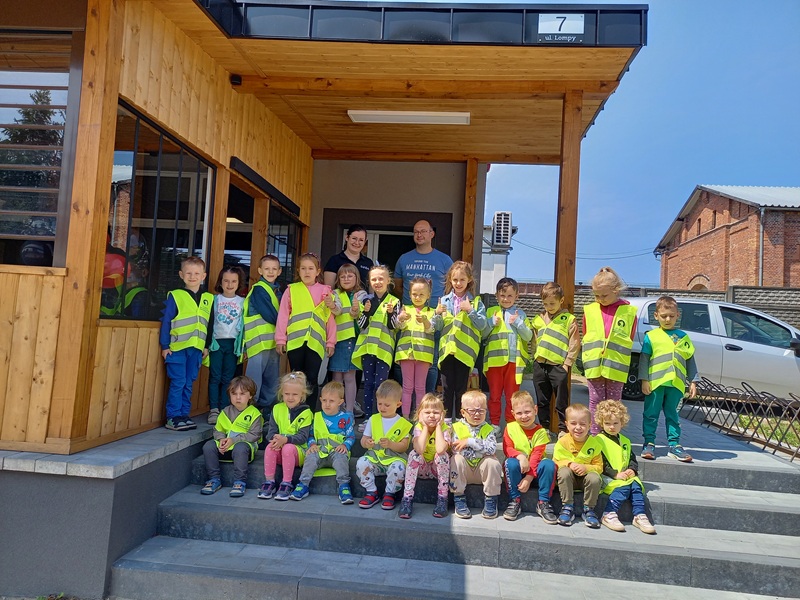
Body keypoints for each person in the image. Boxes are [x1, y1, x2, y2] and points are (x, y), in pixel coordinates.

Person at [394, 219, 454, 393]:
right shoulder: (404, 259)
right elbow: (398, 286)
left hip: (433, 316)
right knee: (401, 361)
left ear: (431, 234)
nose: (419, 235)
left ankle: (427, 400)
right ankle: (404, 401)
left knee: (431, 362)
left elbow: (451, 286)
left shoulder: (444, 260)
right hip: (407, 317)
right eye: (416, 232)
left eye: (423, 231)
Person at [640, 295, 699, 462]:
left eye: (671, 316)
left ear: (677, 315)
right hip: (655, 384)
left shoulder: (683, 337)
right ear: (656, 316)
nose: (668, 319)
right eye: (664, 316)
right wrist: (644, 380)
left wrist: (693, 381)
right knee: (650, 414)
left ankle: (674, 445)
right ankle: (649, 443)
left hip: (676, 385)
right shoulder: (651, 336)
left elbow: (690, 360)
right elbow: (644, 360)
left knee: (673, 415)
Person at [275, 253, 336, 411]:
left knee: (312, 379)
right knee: (296, 379)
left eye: (311, 268)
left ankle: (309, 413)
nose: (307, 272)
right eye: (303, 268)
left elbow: (329, 318)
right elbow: (283, 315)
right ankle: (295, 411)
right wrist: (280, 339)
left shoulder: (325, 291)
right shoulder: (291, 290)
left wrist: (331, 342)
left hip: (316, 342)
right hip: (295, 341)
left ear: (318, 271)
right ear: (298, 270)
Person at [160, 256, 213, 431]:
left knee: (188, 383)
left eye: (197, 273)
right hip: (177, 348)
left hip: (196, 349)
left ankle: (184, 414)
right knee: (178, 382)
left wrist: (206, 346)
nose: (192, 276)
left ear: (203, 276)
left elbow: (210, 324)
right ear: (181, 275)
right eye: (188, 273)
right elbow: (167, 321)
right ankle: (173, 416)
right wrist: (165, 345)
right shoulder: (176, 295)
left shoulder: (208, 298)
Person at [582, 266, 637, 434]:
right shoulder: (590, 310)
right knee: (595, 401)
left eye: (604, 295)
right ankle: (595, 435)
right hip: (594, 365)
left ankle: (611, 435)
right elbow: (586, 334)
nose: (600, 299)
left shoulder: (628, 312)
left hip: (615, 367)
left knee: (614, 404)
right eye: (596, 295)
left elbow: (630, 337)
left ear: (616, 290)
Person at [431, 261, 487, 418]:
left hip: (464, 354)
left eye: (462, 279)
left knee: (461, 390)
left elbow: (482, 325)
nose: (458, 283)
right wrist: (436, 314)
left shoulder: (476, 302)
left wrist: (470, 310)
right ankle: (447, 421)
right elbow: (437, 327)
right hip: (447, 352)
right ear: (450, 279)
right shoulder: (444, 301)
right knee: (447, 389)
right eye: (455, 279)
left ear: (469, 280)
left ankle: (462, 422)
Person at [290, 381, 356, 504]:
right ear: (320, 399)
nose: (327, 404)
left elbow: (351, 436)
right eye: (324, 400)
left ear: (340, 402)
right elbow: (310, 435)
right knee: (310, 457)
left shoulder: (346, 418)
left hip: (336, 452)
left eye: (331, 401)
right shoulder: (316, 417)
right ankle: (303, 485)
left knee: (341, 459)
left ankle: (344, 486)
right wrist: (312, 445)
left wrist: (345, 445)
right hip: (319, 451)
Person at [595, 400, 655, 534]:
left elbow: (632, 458)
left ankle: (639, 515)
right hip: (607, 476)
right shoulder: (598, 440)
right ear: (601, 423)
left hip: (624, 476)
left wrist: (632, 469)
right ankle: (609, 513)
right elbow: (600, 462)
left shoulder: (625, 441)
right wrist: (615, 474)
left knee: (636, 486)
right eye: (607, 423)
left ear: (622, 423)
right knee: (623, 487)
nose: (612, 427)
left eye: (615, 423)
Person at [529, 281, 580, 435]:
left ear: (561, 300)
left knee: (561, 400)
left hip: (558, 366)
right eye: (545, 304)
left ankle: (563, 429)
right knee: (542, 399)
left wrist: (567, 364)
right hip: (540, 365)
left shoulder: (568, 319)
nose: (549, 307)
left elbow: (575, 342)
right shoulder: (538, 319)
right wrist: (534, 358)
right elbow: (534, 340)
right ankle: (544, 427)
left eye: (552, 303)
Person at [200, 376, 263, 498]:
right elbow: (218, 430)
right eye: (234, 394)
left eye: (242, 394)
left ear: (250, 395)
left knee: (240, 448)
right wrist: (221, 439)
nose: (238, 397)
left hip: (244, 448)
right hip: (225, 447)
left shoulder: (255, 413)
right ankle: (214, 479)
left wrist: (234, 440)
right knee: (208, 446)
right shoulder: (225, 412)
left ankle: (239, 482)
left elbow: (254, 435)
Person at [483, 277, 533, 428]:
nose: (506, 299)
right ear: (496, 296)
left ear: (517, 296)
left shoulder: (521, 315)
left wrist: (518, 323)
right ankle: (495, 424)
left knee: (513, 397)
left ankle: (511, 425)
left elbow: (528, 336)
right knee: (494, 395)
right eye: (502, 295)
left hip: (514, 363)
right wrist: (491, 323)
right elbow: (482, 335)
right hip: (494, 362)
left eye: (510, 295)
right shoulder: (490, 312)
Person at [501, 391, 558, 524]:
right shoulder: (510, 428)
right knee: (510, 463)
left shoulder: (541, 432)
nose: (524, 416)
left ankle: (543, 502)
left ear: (535, 410)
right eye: (519, 413)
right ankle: (515, 500)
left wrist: (528, 478)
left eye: (527, 412)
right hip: (517, 472)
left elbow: (536, 456)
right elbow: (507, 449)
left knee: (549, 465)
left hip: (535, 473)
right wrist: (520, 456)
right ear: (513, 414)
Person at [351, 265, 399, 419]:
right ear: (370, 282)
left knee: (380, 385)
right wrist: (365, 312)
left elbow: (394, 326)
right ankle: (368, 418)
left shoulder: (394, 301)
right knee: (368, 384)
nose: (377, 282)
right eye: (374, 279)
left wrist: (391, 314)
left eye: (381, 279)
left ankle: (380, 418)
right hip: (368, 348)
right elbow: (361, 325)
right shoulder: (366, 300)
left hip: (384, 350)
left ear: (388, 280)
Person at [356, 380, 412, 510]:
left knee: (398, 468)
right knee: (361, 463)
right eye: (379, 403)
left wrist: (391, 444)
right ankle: (371, 491)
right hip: (375, 458)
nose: (382, 407)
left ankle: (390, 493)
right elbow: (364, 440)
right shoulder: (373, 419)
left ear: (398, 404)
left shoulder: (403, 423)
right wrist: (366, 443)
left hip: (394, 458)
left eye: (387, 405)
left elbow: (404, 446)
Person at [258, 372, 313, 501]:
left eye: (295, 394)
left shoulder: (306, 413)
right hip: (280, 448)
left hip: (299, 452)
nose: (290, 397)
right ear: (282, 393)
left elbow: (303, 437)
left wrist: (286, 440)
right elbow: (271, 432)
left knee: (288, 448)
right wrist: (276, 440)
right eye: (287, 394)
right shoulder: (277, 409)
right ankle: (269, 482)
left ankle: (286, 483)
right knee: (270, 447)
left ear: (302, 395)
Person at [450, 390, 503, 520]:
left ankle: (491, 499)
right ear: (463, 412)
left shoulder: (488, 429)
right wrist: (482, 448)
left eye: (481, 411)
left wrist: (470, 442)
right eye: (472, 411)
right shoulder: (456, 427)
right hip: (465, 471)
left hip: (482, 471)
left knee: (492, 462)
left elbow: (491, 449)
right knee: (456, 459)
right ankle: (459, 497)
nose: (477, 414)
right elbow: (457, 450)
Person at [399, 393, 451, 519]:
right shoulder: (418, 427)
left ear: (442, 415)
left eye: (436, 412)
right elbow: (420, 449)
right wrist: (425, 428)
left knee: (442, 456)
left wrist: (438, 427)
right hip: (421, 469)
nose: (432, 415)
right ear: (420, 415)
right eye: (427, 412)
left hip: (436, 470)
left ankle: (442, 498)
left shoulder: (446, 428)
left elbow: (440, 449)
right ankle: (407, 498)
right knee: (414, 454)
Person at [206, 265, 246, 425]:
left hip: (233, 344)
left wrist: (244, 347)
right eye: (226, 281)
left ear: (239, 283)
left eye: (233, 281)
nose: (229, 284)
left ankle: (224, 409)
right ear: (220, 282)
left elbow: (245, 326)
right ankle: (213, 410)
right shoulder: (214, 300)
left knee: (228, 378)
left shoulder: (243, 302)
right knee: (215, 377)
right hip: (216, 343)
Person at [243, 254, 283, 417]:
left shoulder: (277, 290)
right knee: (255, 378)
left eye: (274, 269)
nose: (270, 272)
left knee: (271, 377)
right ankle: (250, 409)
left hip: (272, 341)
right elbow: (270, 314)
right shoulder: (259, 289)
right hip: (258, 341)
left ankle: (266, 411)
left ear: (279, 271)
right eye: (267, 269)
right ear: (260, 270)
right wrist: (284, 327)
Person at [552, 404, 603, 528]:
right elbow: (556, 461)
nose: (578, 427)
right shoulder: (563, 442)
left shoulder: (594, 444)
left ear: (590, 425)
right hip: (568, 481)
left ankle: (589, 509)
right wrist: (570, 464)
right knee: (563, 472)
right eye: (573, 423)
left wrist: (586, 468)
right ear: (567, 424)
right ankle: (567, 507)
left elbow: (599, 467)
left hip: (585, 481)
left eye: (583, 424)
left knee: (595, 478)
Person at [395, 277, 436, 418]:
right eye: (414, 294)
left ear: (428, 295)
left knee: (420, 388)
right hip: (406, 354)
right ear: (409, 294)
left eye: (421, 294)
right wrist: (400, 319)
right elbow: (398, 326)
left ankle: (419, 418)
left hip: (424, 355)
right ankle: (405, 417)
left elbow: (431, 329)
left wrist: (425, 321)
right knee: (407, 387)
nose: (417, 297)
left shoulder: (432, 312)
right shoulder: (405, 309)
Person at [328, 264, 363, 415]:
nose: (346, 279)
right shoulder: (335, 293)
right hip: (338, 340)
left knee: (349, 376)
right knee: (336, 377)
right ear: (338, 280)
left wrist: (356, 310)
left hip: (353, 340)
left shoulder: (361, 294)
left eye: (350, 276)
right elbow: (337, 310)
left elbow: (359, 314)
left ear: (357, 278)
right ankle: (336, 410)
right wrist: (332, 305)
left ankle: (349, 411)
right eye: (342, 276)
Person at [323, 225, 374, 289]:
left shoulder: (368, 263)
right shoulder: (334, 260)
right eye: (354, 238)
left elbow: (371, 289)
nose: (357, 243)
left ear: (365, 241)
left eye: (361, 240)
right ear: (347, 237)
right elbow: (329, 289)